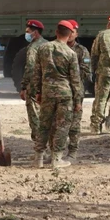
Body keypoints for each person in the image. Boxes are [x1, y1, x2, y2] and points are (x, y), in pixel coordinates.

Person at [32, 20, 82, 168]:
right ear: (69, 35)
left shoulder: (43, 48)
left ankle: (38, 158)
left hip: (47, 92)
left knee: (44, 125)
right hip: (64, 94)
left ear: (56, 32)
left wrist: (38, 92)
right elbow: (75, 80)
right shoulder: (71, 53)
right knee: (62, 126)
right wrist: (78, 100)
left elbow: (37, 73)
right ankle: (57, 158)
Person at [65, 20, 91, 159]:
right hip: (60, 91)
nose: (70, 35)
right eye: (68, 32)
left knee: (74, 123)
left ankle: (73, 151)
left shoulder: (81, 50)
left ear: (76, 33)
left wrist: (71, 76)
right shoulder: (58, 48)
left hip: (76, 91)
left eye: (72, 32)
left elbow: (86, 71)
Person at [20, 20, 47, 143]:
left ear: (35, 33)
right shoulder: (48, 44)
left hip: (34, 88)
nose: (26, 34)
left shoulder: (33, 47)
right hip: (47, 86)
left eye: (28, 32)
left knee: (35, 118)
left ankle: (40, 148)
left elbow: (30, 68)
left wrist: (24, 87)